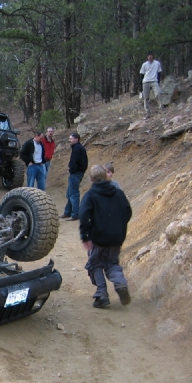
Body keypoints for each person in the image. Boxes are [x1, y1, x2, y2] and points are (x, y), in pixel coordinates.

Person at [79, 165, 132, 308]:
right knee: (112, 263)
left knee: (95, 264)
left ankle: (102, 294)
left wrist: (85, 236)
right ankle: (121, 284)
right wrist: (119, 227)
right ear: (105, 177)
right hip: (116, 237)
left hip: (99, 238)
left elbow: (84, 216)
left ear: (91, 179)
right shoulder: (118, 193)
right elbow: (127, 211)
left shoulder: (90, 195)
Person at [60, 132, 88, 221]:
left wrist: (72, 170)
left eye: (71, 139)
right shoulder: (79, 148)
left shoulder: (77, 148)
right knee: (69, 193)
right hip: (78, 172)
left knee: (73, 194)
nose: (69, 140)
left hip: (76, 173)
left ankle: (75, 214)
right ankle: (67, 212)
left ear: (76, 139)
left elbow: (74, 162)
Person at [140, 51, 163, 119]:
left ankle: (161, 109)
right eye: (149, 56)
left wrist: (158, 82)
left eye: (151, 55)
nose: (150, 57)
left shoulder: (157, 63)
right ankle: (147, 113)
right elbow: (141, 75)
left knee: (158, 93)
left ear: (153, 56)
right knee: (146, 97)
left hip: (154, 81)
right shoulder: (144, 65)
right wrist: (140, 86)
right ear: (147, 57)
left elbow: (159, 73)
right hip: (146, 81)